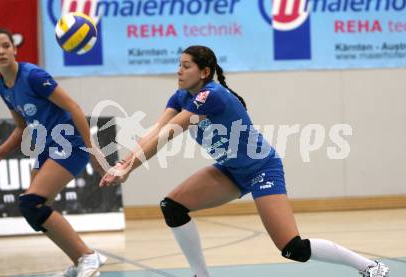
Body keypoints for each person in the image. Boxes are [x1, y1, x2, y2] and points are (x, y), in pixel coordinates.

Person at [99, 45, 390, 277]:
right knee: (173, 207)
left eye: (186, 66)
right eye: (179, 64)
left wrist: (129, 170)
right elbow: (156, 131)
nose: (179, 70)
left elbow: (169, 135)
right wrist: (124, 163)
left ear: (204, 72)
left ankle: (370, 267)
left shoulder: (210, 96)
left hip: (262, 168)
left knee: (292, 248)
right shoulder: (180, 96)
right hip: (231, 170)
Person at [0, 28, 107, 277]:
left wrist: (92, 151)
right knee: (34, 213)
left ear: (14, 49)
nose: (1, 51)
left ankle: (88, 256)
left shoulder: (33, 76)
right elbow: (21, 128)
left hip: (68, 141)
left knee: (32, 203)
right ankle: (79, 261)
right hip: (45, 146)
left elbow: (74, 107)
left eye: (6, 45)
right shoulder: (2, 86)